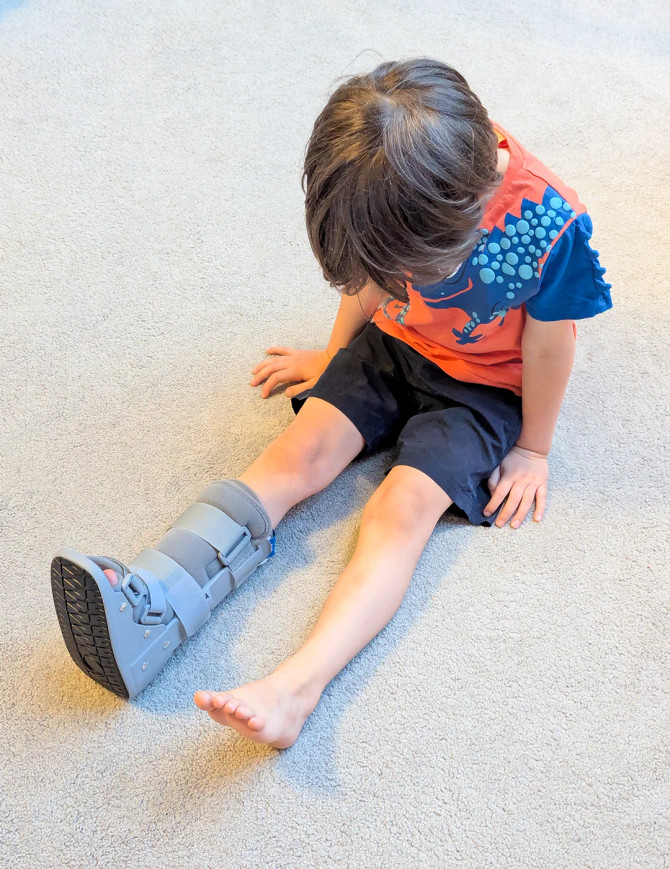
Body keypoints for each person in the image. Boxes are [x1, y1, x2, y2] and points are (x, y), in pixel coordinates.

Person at [51, 58, 611, 749]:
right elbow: (369, 281)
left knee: (399, 509)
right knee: (298, 450)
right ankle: (158, 593)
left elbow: (553, 348)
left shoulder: (551, 223)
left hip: (485, 391)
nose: (391, 276)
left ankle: (296, 688)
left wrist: (534, 447)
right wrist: (335, 355)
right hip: (395, 346)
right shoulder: (392, 179)